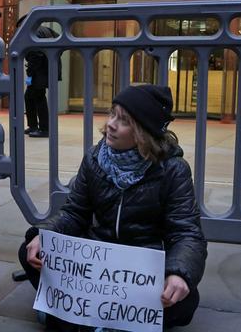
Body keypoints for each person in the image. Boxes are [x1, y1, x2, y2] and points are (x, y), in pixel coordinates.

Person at [18, 85, 207, 331]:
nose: (111, 124)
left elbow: (186, 233)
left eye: (124, 121)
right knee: (31, 250)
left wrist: (179, 274)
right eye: (112, 114)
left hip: (142, 270)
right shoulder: (94, 158)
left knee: (185, 300)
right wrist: (45, 234)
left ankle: (81, 316)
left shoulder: (173, 170)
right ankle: (93, 314)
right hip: (96, 266)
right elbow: (74, 213)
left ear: (143, 132)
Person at [20, 18, 60, 138]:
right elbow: (59, 40)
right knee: (31, 96)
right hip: (48, 68)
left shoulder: (33, 32)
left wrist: (30, 72)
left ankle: (44, 128)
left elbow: (36, 55)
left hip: (40, 71)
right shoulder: (45, 30)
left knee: (38, 97)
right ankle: (33, 126)